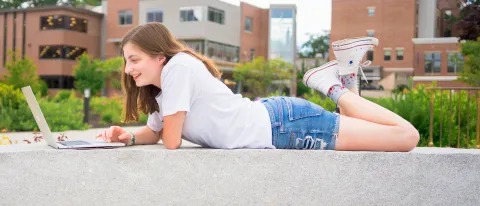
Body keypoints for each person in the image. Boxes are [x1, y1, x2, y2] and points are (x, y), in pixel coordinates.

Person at [96, 22, 420, 152]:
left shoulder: (178, 67)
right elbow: (153, 132)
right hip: (278, 123)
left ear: (159, 56)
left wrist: (152, 131)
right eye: (126, 61)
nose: (128, 69)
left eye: (135, 59)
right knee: (372, 131)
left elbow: (170, 141)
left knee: (406, 138)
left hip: (286, 125)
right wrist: (126, 136)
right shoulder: (165, 90)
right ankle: (342, 77)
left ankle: (330, 85)